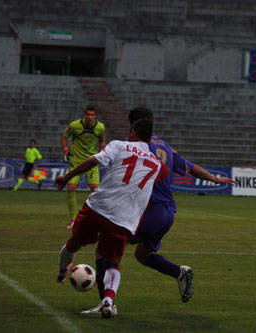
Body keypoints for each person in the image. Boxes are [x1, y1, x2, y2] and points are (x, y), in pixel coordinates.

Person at [82, 107, 238, 314]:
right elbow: (190, 167)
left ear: (133, 127)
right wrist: (215, 178)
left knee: (106, 249)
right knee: (142, 254)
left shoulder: (135, 147)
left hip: (148, 211)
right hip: (167, 213)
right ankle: (179, 272)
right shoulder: (165, 146)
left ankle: (106, 303)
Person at [54, 119, 169, 319]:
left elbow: (93, 161)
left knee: (74, 242)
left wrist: (66, 177)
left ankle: (63, 270)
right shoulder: (159, 165)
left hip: (98, 207)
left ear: (132, 132)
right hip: (123, 219)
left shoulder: (118, 145)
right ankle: (108, 300)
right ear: (150, 138)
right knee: (113, 262)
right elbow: (158, 177)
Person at [60, 105, 105, 227]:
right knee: (70, 188)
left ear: (95, 116)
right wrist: (65, 149)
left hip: (91, 161)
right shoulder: (75, 125)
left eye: (92, 115)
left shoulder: (100, 127)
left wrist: (101, 150)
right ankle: (73, 219)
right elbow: (64, 136)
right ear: (84, 115)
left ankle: (93, 218)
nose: (90, 117)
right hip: (76, 161)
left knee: (95, 191)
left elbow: (102, 140)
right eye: (88, 115)